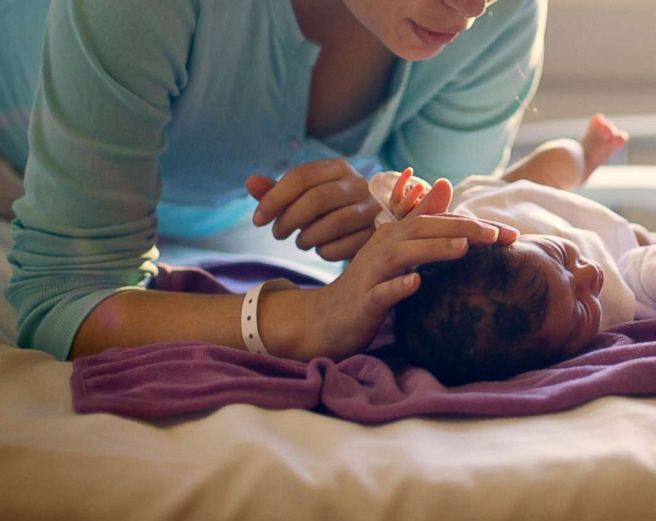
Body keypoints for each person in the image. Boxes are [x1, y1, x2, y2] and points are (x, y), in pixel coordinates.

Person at [0, 0, 545, 361]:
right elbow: (60, 297)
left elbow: (446, 279)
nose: (475, 7)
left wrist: (384, 229)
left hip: (215, 225)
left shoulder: (505, 11)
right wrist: (304, 318)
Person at [373, 114, 656, 385]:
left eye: (562, 257)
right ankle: (625, 220)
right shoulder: (605, 306)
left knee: (557, 162)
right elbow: (634, 283)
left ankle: (584, 155)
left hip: (507, 200)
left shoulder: (461, 244)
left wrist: (405, 209)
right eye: (582, 309)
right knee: (637, 240)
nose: (590, 275)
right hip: (609, 242)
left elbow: (391, 241)